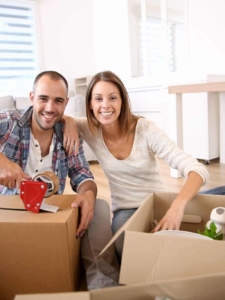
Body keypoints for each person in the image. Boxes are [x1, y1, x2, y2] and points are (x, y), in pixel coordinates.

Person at [63, 70, 225, 263]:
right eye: (98, 99)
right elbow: (55, 115)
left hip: (160, 202)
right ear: (90, 104)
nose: (105, 105)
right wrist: (69, 121)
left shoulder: (145, 129)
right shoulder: (89, 128)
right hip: (126, 210)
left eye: (112, 98)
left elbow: (197, 169)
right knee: (125, 246)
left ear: (122, 101)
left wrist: (177, 207)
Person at [0, 71, 119, 290]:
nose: (50, 108)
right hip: (8, 216)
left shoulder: (67, 133)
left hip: (46, 217)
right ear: (32, 97)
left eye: (58, 101)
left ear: (65, 104)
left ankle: (103, 287)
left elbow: (83, 174)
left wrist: (88, 195)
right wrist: (2, 162)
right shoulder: (10, 122)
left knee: (99, 205)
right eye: (43, 99)